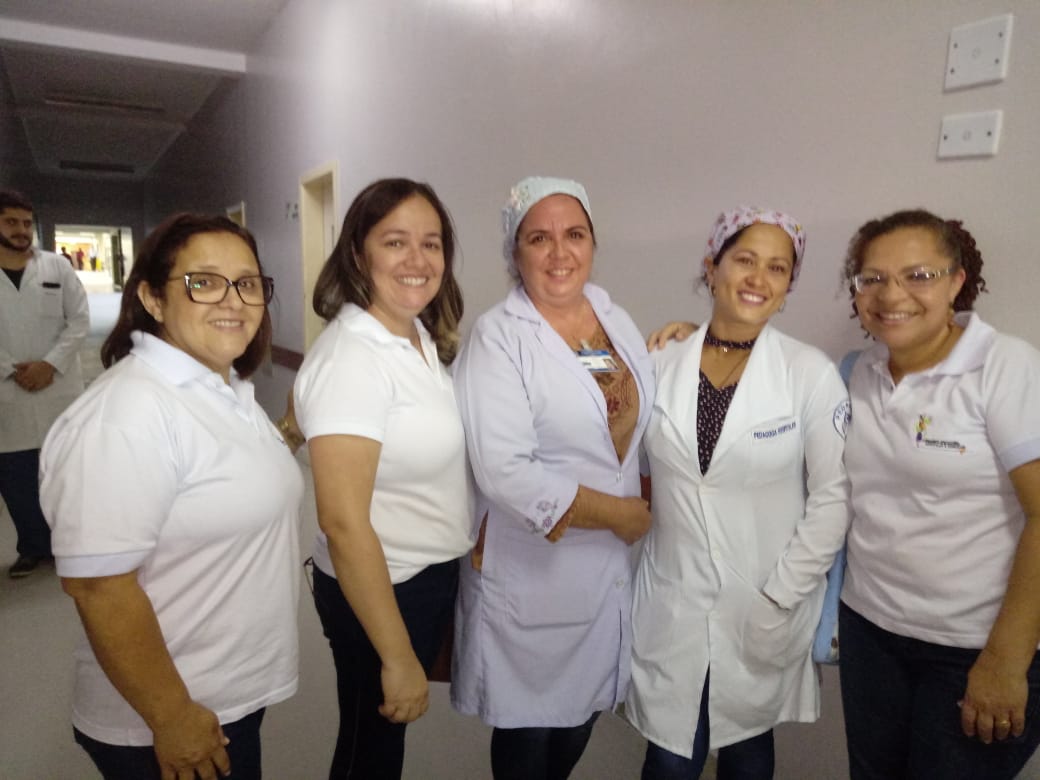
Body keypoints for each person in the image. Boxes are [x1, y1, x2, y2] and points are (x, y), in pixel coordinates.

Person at [39, 213, 303, 780]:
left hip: (224, 696)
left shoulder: (221, 386)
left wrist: (288, 434)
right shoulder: (127, 414)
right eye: (203, 282)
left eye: (248, 283)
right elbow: (98, 587)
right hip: (170, 716)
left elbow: (214, 486)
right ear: (152, 299)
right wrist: (172, 716)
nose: (233, 300)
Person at [630, 206, 850, 779]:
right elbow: (623, 461)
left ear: (788, 286)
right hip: (674, 600)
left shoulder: (809, 373)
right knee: (670, 762)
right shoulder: (658, 362)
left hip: (765, 598)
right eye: (745, 260)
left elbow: (834, 498)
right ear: (712, 267)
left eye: (777, 268)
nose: (759, 278)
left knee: (749, 754)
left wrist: (781, 596)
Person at [451, 176, 656, 780]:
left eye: (575, 234)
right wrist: (619, 514)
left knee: (576, 723)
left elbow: (616, 408)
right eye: (539, 238)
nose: (559, 252)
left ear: (593, 243)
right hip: (532, 569)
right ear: (515, 252)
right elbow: (505, 471)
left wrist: (673, 344)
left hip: (601, 573)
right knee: (530, 732)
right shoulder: (499, 337)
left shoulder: (607, 322)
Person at [837, 209, 1040, 779]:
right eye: (872, 278)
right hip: (870, 632)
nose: (891, 294)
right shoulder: (858, 372)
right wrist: (689, 340)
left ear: (957, 281)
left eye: (918, 275)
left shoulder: (1004, 367)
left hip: (974, 646)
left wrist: (1006, 660)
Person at [293, 178, 473, 780]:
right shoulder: (354, 356)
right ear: (357, 252)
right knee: (369, 750)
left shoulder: (416, 333)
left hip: (419, 575)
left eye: (431, 243)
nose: (417, 259)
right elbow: (342, 523)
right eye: (395, 242)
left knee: (375, 743)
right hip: (381, 586)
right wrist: (396, 656)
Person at [0, 188, 89, 578]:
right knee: (16, 477)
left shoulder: (57, 267)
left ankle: (70, 545)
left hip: (58, 387)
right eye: (10, 222)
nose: (21, 230)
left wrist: (49, 365)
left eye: (25, 222)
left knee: (65, 472)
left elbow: (80, 320)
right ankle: (32, 548)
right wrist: (11, 369)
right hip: (7, 390)